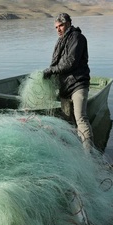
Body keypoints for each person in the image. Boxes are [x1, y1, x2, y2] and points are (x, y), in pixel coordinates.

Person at [43, 13, 94, 151]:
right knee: (67, 122)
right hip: (65, 87)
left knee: (81, 118)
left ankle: (89, 155)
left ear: (69, 24)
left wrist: (51, 70)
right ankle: (74, 150)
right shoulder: (60, 41)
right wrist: (51, 72)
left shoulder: (77, 38)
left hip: (78, 84)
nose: (58, 29)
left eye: (61, 26)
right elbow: (57, 63)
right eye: (56, 27)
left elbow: (70, 62)